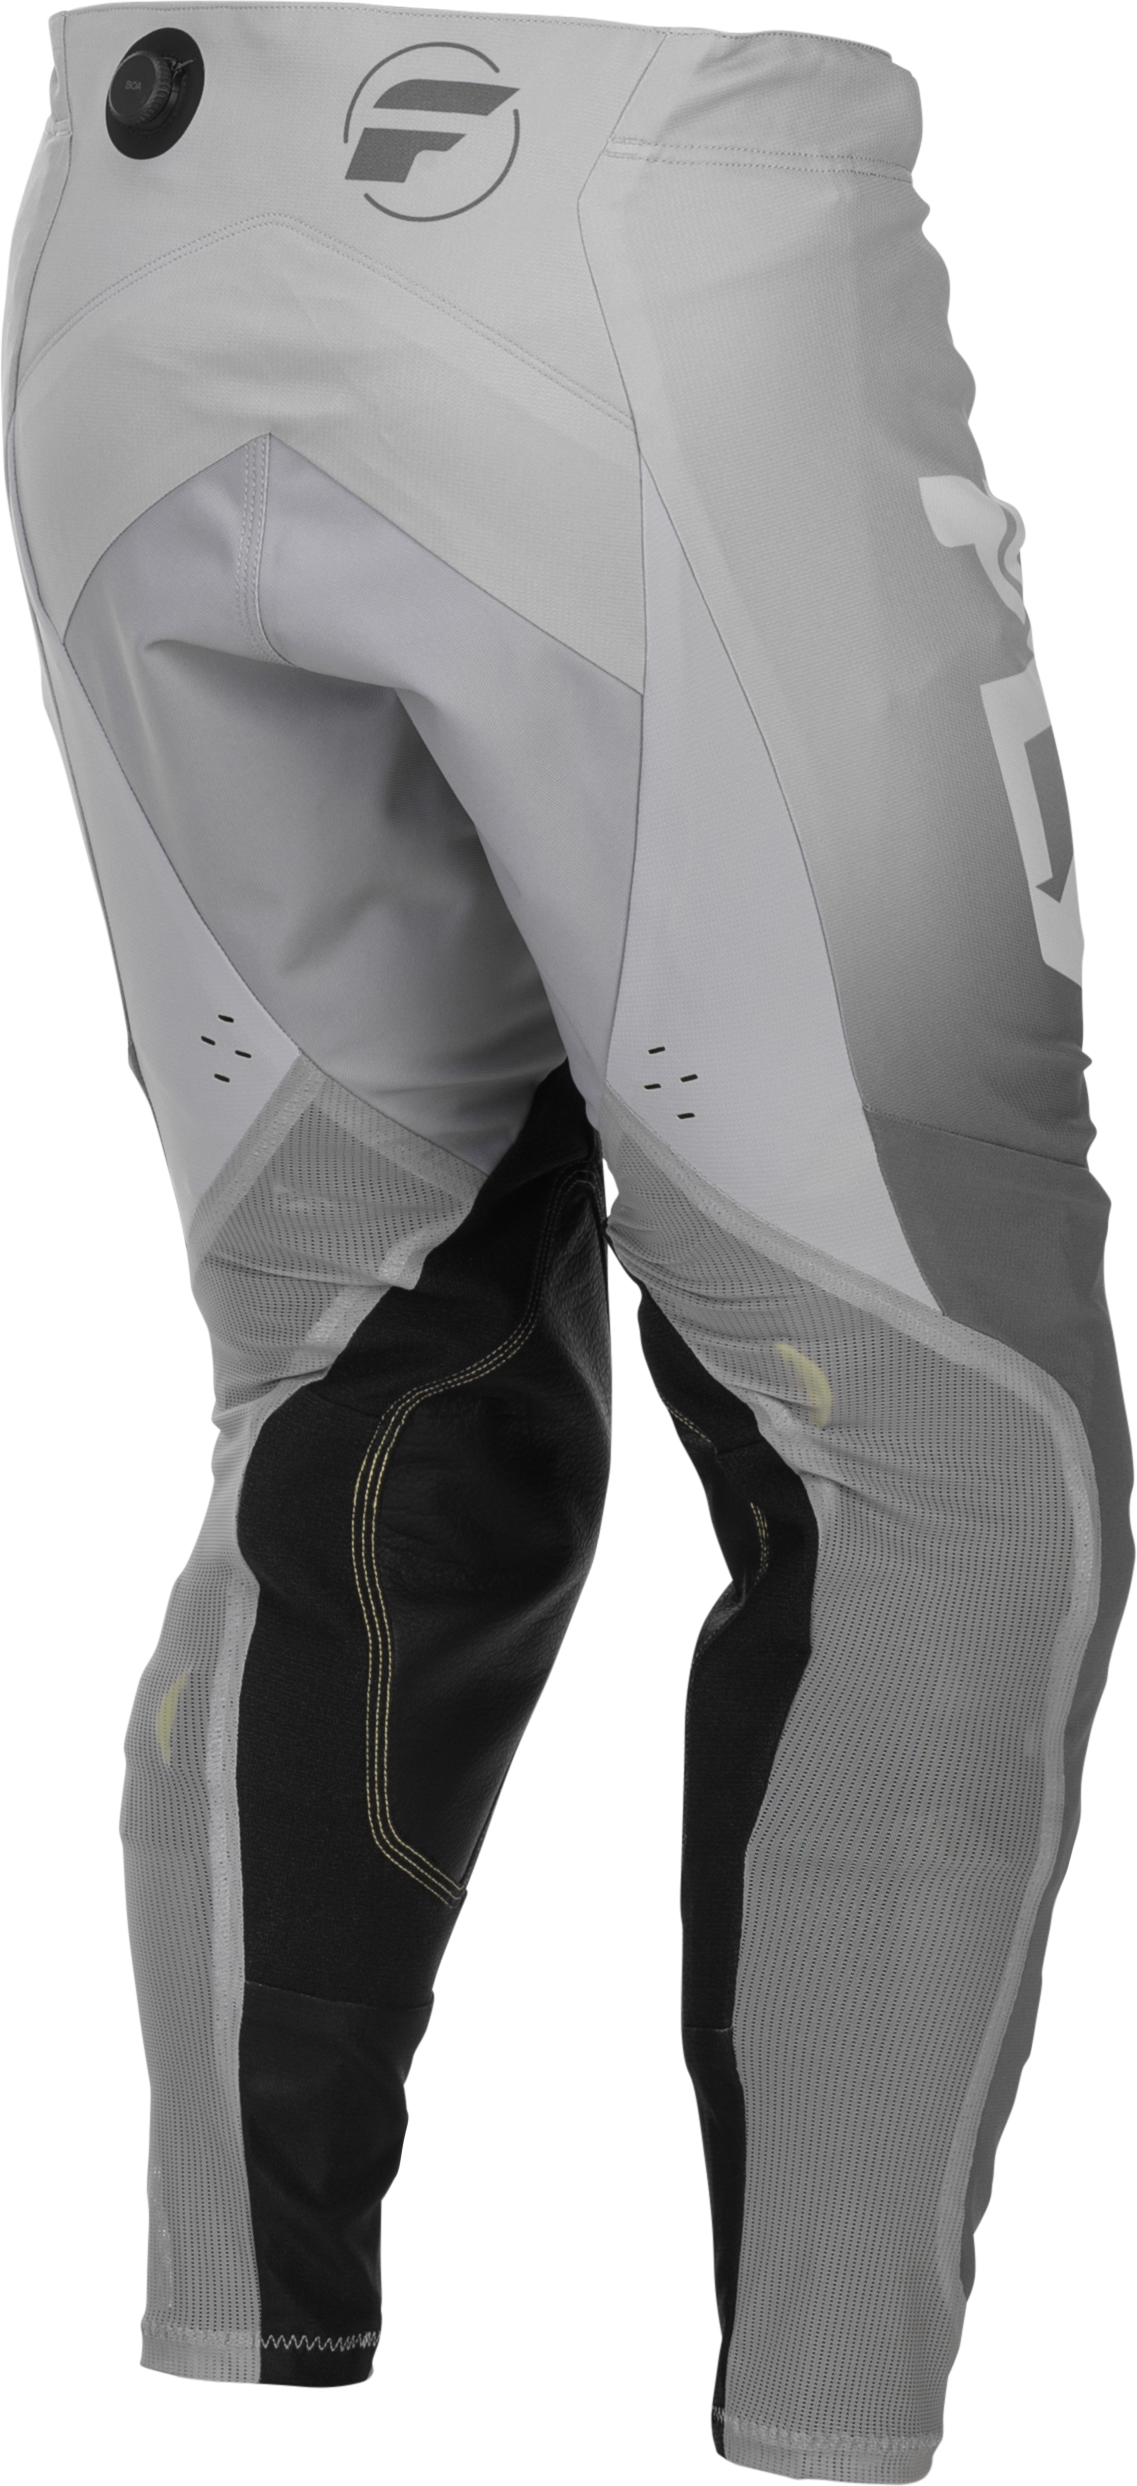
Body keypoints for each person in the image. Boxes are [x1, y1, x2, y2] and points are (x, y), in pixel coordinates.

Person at [3, 3, 1130, 2482]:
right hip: (640, 228)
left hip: (137, 235)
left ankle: (240, 2427)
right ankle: (820, 2444)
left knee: (351, 1374)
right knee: (948, 1455)